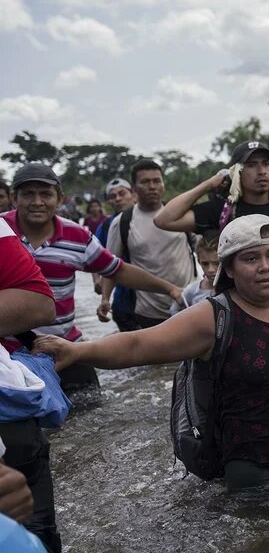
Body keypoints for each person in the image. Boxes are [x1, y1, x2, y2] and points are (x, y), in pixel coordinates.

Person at [35, 215, 269, 498]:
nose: (266, 267)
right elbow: (138, 345)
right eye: (251, 259)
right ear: (229, 269)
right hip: (256, 460)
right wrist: (76, 350)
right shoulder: (214, 316)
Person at [1, 163, 184, 393]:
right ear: (14, 199)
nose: (37, 202)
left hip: (64, 351)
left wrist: (170, 289)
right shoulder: (2, 233)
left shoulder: (77, 236)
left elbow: (117, 270)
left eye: (46, 194)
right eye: (28, 194)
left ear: (59, 200)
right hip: (8, 358)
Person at [0, 214, 69, 553]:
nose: (37, 203)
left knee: (39, 549)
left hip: (10, 414)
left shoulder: (74, 235)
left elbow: (39, 302)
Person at [154, 141, 269, 281]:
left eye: (266, 164)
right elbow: (164, 220)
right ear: (237, 172)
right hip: (236, 302)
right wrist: (208, 185)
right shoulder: (222, 210)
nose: (261, 171)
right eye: (251, 165)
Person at [106, 159, 197, 329]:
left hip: (188, 304)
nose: (152, 186)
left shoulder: (181, 215)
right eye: (145, 182)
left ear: (163, 184)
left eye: (157, 181)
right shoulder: (123, 222)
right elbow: (110, 265)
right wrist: (105, 299)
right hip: (149, 313)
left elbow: (203, 251)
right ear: (134, 189)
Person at [94, 178, 139, 332]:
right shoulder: (106, 226)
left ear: (133, 194)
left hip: (154, 297)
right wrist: (98, 282)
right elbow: (94, 257)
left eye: (122, 193)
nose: (118, 199)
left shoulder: (152, 217)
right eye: (112, 197)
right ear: (108, 202)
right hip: (124, 300)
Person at [171, 230, 220, 313]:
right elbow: (174, 309)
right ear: (198, 260)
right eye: (205, 263)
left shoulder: (235, 289)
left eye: (217, 263)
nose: (210, 269)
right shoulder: (191, 291)